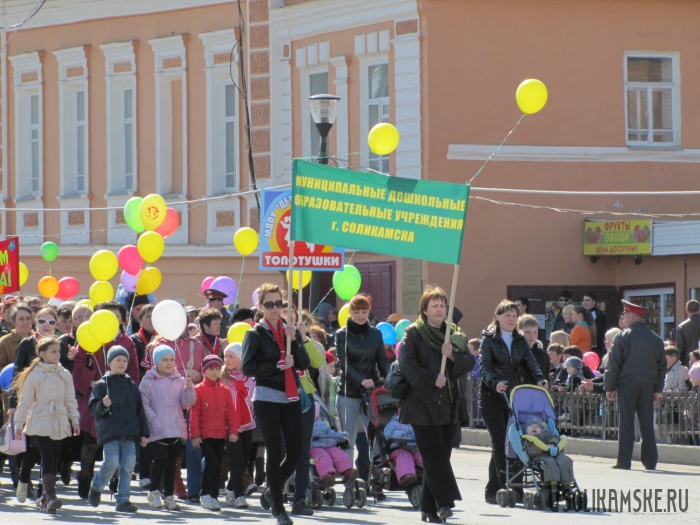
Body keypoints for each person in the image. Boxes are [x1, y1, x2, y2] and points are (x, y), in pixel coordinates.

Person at [399, 285, 472, 522]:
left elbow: (469, 362)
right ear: (425, 309)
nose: (439, 309)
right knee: (432, 455)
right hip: (422, 405)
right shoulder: (413, 333)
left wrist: (452, 355)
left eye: (442, 305)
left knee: (442, 455)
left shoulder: (454, 333)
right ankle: (444, 501)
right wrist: (432, 378)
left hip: (449, 404)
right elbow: (407, 365)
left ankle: (428, 508)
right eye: (435, 305)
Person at [241, 283, 310, 525]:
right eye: (269, 304)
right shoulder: (255, 334)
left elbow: (303, 364)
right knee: (274, 451)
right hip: (267, 396)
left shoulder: (289, 330)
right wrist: (275, 366)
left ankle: (272, 489)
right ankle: (279, 509)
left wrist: (296, 340)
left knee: (296, 452)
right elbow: (248, 367)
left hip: (290, 395)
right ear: (260, 306)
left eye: (278, 303)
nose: (274, 308)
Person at [479, 299, 546, 505]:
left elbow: (531, 363)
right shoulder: (489, 339)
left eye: (514, 316)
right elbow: (484, 366)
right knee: (500, 441)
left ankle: (504, 488)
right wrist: (494, 383)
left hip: (513, 397)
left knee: (514, 443)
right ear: (497, 317)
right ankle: (502, 486)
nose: (511, 319)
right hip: (492, 396)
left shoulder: (519, 340)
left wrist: (540, 379)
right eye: (507, 315)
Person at [12, 336, 80, 514]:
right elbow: (25, 401)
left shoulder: (64, 374)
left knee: (55, 457)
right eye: (53, 351)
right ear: (42, 354)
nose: (57, 355)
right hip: (40, 419)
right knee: (47, 455)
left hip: (59, 420)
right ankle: (50, 495)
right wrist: (19, 423)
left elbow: (70, 400)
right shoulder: (35, 375)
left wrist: (74, 420)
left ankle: (44, 497)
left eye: (59, 351)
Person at [604, 300, 666, 470]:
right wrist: (658, 389)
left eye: (624, 315)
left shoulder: (623, 336)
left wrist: (609, 387)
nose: (623, 318)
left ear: (631, 316)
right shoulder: (655, 338)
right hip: (647, 386)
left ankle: (624, 461)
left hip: (627, 385)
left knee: (626, 423)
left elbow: (614, 364)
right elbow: (661, 366)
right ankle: (650, 461)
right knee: (647, 424)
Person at [87, 346, 149, 513]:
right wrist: (103, 404)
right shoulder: (102, 385)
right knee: (112, 463)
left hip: (130, 433)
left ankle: (123, 500)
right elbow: (93, 408)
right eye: (118, 360)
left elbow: (139, 410)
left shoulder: (131, 385)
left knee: (128, 466)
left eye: (124, 360)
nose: (122, 363)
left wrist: (144, 433)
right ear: (109, 363)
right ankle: (96, 486)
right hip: (111, 433)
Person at [281, 302, 326, 517]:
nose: (288, 316)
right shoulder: (272, 336)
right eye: (284, 312)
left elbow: (316, 361)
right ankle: (276, 489)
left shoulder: (302, 337)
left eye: (291, 312)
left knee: (302, 451)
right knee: (282, 450)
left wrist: (304, 338)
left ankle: (299, 498)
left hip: (304, 398)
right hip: (281, 396)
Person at [139, 345, 196, 511]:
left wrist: (189, 389)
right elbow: (143, 403)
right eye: (164, 360)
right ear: (156, 362)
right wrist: (153, 420)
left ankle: (169, 495)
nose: (169, 363)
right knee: (161, 458)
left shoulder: (180, 379)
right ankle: (154, 491)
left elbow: (187, 403)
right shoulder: (148, 381)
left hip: (175, 427)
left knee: (172, 463)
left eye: (171, 359)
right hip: (156, 428)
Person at [335, 294, 390, 466]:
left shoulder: (375, 333)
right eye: (357, 312)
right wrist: (361, 380)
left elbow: (382, 361)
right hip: (348, 391)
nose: (360, 316)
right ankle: (348, 474)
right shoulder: (341, 334)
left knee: (377, 436)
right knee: (348, 438)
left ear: (369, 312)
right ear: (350, 312)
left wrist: (391, 378)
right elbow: (344, 364)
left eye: (364, 312)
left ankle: (377, 474)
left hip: (371, 392)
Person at [190, 354, 240, 511]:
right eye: (210, 369)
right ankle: (205, 493)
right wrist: (195, 435)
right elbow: (194, 414)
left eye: (217, 368)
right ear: (204, 370)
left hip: (220, 434)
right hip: (205, 435)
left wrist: (233, 431)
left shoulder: (225, 391)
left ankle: (213, 496)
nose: (214, 372)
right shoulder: (198, 390)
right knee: (211, 462)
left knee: (218, 465)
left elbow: (231, 413)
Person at [220, 342, 257, 508]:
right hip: (230, 426)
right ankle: (239, 495)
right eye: (225, 356)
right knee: (236, 460)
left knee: (245, 459)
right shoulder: (222, 378)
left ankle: (230, 489)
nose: (227, 359)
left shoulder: (251, 379)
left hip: (247, 424)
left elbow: (254, 399)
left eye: (231, 356)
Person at [309, 405, 357, 487]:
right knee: (323, 457)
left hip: (329, 444)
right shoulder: (305, 424)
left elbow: (330, 432)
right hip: (315, 446)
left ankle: (348, 472)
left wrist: (341, 436)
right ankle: (328, 475)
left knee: (339, 453)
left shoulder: (322, 423)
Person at [522, 416, 574, 485]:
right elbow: (531, 451)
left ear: (541, 429)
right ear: (526, 429)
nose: (534, 427)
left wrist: (553, 443)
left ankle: (567, 482)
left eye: (537, 426)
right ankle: (553, 482)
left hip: (554, 452)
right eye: (531, 425)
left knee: (565, 460)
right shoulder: (527, 439)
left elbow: (555, 437)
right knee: (550, 462)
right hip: (540, 456)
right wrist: (544, 448)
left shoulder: (546, 433)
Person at [383, 414, 423, 486]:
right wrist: (402, 435)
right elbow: (388, 434)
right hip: (399, 448)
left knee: (423, 455)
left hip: (414, 448)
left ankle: (427, 470)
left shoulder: (416, 424)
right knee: (404, 457)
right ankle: (406, 475)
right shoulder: (393, 423)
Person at [518, 314, 549, 385]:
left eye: (535, 332)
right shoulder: (514, 352)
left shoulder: (543, 355)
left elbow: (546, 378)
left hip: (536, 390)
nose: (532, 336)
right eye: (528, 332)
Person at [581, 293, 608, 358]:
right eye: (584, 300)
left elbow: (600, 333)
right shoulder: (581, 314)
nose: (585, 302)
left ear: (594, 302)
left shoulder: (599, 315)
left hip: (595, 348)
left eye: (587, 300)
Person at [675, 300, 700, 366]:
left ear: (686, 310)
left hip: (688, 363)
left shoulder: (682, 327)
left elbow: (680, 350)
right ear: (699, 309)